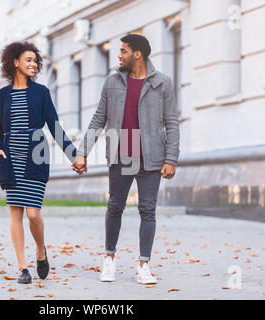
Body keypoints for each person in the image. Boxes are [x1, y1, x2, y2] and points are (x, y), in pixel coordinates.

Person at [72, 34, 180, 284]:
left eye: (123, 51)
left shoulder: (162, 83)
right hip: (122, 155)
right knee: (115, 207)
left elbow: (172, 123)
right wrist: (82, 152)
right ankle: (109, 259)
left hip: (151, 157)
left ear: (137, 54)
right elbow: (98, 119)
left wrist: (171, 158)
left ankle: (144, 265)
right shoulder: (112, 82)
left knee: (148, 211)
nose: (118, 55)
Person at [0, 41, 78, 284]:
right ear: (15, 62)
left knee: (33, 214)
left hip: (35, 155)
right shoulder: (1, 96)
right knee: (15, 213)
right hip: (11, 160)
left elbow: (54, 126)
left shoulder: (41, 93)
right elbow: (1, 130)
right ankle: (22, 268)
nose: (33, 64)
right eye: (27, 60)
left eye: (35, 60)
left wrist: (74, 155)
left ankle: (41, 251)